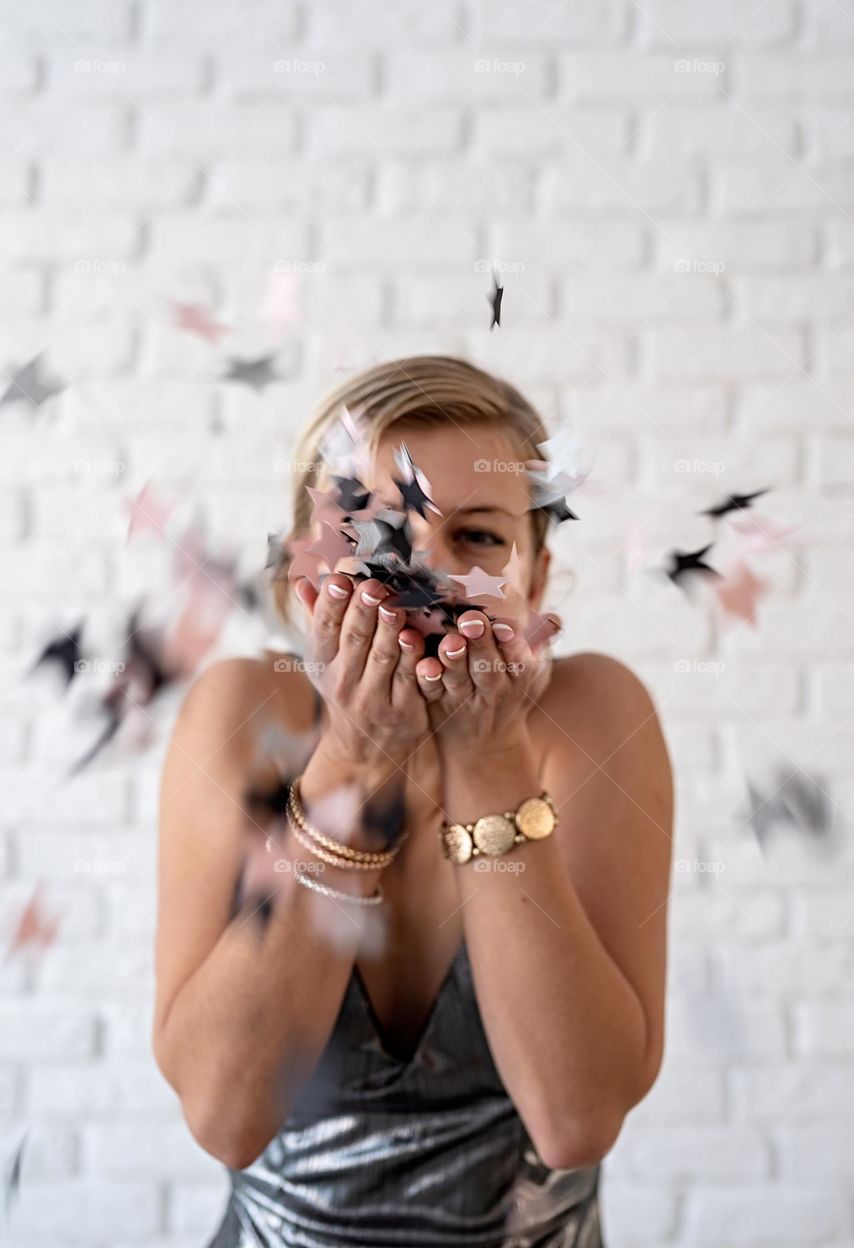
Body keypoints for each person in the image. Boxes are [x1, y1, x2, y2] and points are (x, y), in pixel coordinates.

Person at [152, 355, 674, 1247]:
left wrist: (492, 755)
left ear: (537, 583)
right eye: (375, 533)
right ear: (302, 575)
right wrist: (353, 761)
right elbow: (227, 1116)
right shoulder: (241, 712)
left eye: (476, 539)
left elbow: (576, 1118)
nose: (422, 573)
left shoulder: (595, 716)